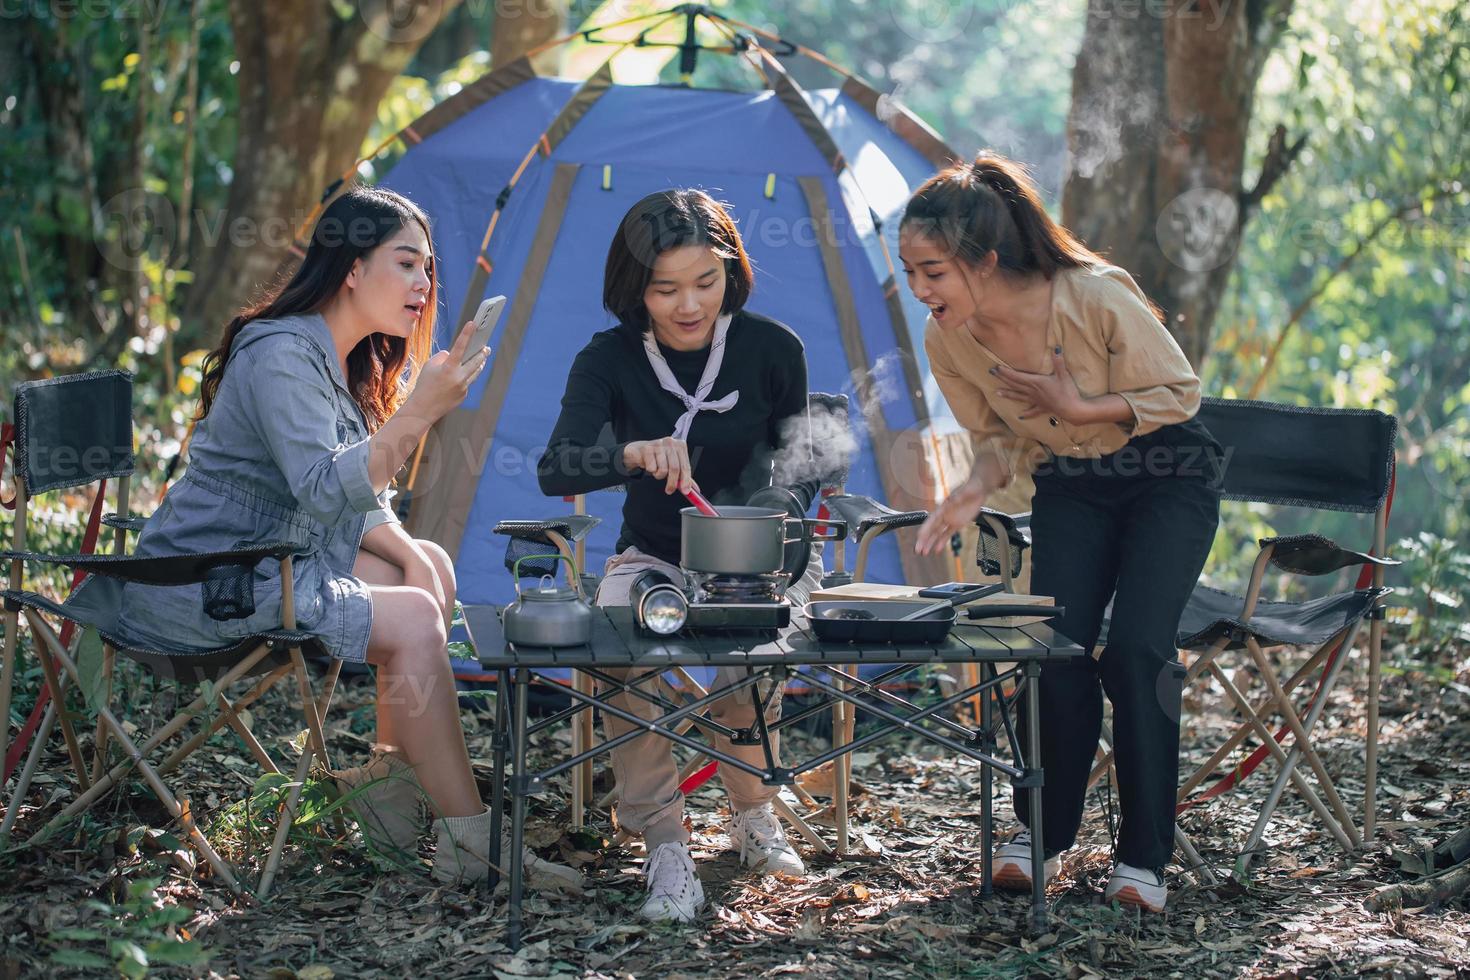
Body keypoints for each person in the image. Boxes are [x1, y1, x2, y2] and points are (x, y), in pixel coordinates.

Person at [116, 187, 580, 892]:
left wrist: (411, 553)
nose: (426, 284)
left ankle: (390, 787)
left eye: (429, 268)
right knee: (418, 616)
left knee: (426, 571)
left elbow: (362, 499)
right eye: (407, 263)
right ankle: (472, 842)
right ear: (352, 269)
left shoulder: (338, 358)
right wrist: (418, 414)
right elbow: (324, 489)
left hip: (268, 560)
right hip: (201, 584)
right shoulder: (281, 356)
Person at [900, 153, 1221, 913]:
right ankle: (1042, 834)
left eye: (933, 271)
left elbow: (1180, 392)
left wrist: (1077, 407)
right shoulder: (947, 339)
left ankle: (1144, 861)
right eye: (910, 271)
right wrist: (968, 493)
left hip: (1168, 475)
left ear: (984, 260)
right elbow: (996, 439)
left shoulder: (1094, 295)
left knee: (1139, 651)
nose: (920, 290)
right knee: (1055, 648)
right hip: (1074, 487)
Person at [538, 189, 821, 922]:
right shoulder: (608, 358)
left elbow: (803, 461)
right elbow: (557, 466)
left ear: (733, 272)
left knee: (750, 641)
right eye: (665, 289)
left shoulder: (771, 349)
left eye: (706, 282)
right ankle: (665, 842)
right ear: (635, 289)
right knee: (615, 639)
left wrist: (772, 520)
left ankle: (753, 812)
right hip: (655, 553)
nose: (689, 304)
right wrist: (629, 452)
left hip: (755, 558)